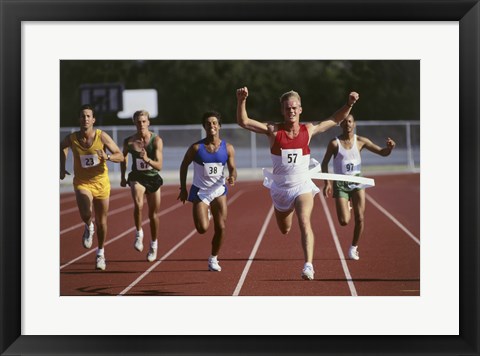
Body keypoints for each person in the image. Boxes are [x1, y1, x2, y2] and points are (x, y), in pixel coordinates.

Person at [236, 86, 359, 280]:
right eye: (287, 108)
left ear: (300, 109)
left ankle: (308, 265)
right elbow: (243, 121)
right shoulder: (273, 131)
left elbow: (335, 119)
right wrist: (242, 100)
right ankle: (287, 212)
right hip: (280, 189)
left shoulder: (307, 130)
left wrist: (349, 104)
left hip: (302, 186)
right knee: (285, 229)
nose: (291, 111)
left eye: (294, 108)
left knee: (304, 221)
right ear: (282, 111)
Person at [321, 114, 396, 261]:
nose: (347, 124)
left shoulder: (361, 141)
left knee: (360, 217)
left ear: (354, 124)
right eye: (344, 122)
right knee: (344, 221)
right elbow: (324, 163)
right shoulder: (334, 143)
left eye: (350, 121)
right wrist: (327, 183)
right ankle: (347, 203)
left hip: (357, 181)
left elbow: (382, 152)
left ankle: (354, 247)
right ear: (341, 125)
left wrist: (390, 148)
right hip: (341, 182)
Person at [60, 104, 124, 270]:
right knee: (87, 212)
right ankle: (88, 225)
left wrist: (107, 156)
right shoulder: (72, 138)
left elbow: (121, 156)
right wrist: (61, 166)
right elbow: (62, 147)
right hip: (83, 182)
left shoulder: (102, 137)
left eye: (88, 116)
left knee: (102, 222)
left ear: (93, 120)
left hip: (102, 183)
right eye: (83, 116)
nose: (85, 119)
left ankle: (100, 252)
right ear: (79, 119)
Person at [177, 111, 237, 272]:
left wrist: (232, 177)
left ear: (219, 126)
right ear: (204, 126)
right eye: (208, 123)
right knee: (202, 229)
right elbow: (183, 166)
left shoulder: (228, 148)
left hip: (218, 191)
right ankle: (206, 212)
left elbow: (233, 169)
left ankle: (213, 258)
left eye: (214, 123)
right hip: (200, 192)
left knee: (221, 227)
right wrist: (183, 188)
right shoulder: (196, 148)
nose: (212, 126)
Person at [120, 110, 164, 262]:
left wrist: (147, 159)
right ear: (134, 123)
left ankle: (154, 244)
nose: (141, 125)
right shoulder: (129, 141)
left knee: (153, 215)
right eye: (138, 122)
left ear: (148, 123)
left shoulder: (156, 140)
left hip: (153, 178)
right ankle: (139, 234)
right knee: (138, 204)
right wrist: (122, 176)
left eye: (144, 121)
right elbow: (123, 157)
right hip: (137, 177)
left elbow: (159, 166)